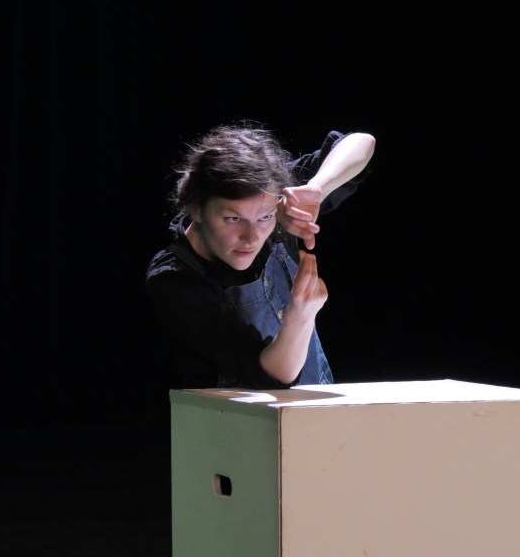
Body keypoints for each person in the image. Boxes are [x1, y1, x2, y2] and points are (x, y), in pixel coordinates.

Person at [145, 121, 376, 390]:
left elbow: (362, 142)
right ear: (196, 207)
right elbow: (271, 376)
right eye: (233, 219)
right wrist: (300, 315)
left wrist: (317, 188)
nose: (252, 237)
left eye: (265, 217)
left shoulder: (274, 199)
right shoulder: (174, 278)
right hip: (233, 414)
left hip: (312, 407)